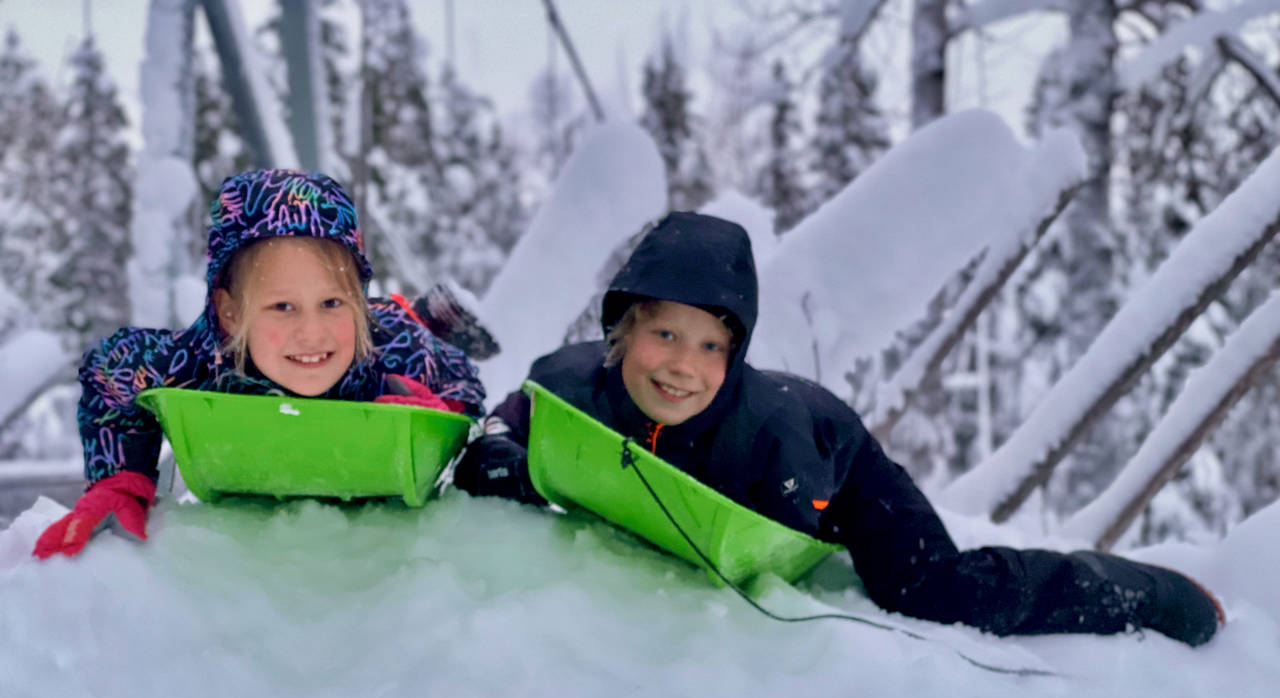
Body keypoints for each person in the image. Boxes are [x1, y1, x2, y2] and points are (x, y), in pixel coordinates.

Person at [453, 211, 1224, 647]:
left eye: (712, 344)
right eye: (664, 335)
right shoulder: (567, 378)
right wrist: (497, 452)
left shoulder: (775, 436)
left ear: (738, 351)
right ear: (622, 332)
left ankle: (1149, 594)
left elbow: (785, 545)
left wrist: (792, 519)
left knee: (934, 592)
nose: (683, 366)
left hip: (835, 461)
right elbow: (512, 416)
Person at [34, 168, 485, 559]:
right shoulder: (197, 360)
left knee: (408, 321)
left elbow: (464, 381)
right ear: (231, 313)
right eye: (282, 307)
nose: (312, 332)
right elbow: (107, 370)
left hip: (396, 326)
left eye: (331, 301)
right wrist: (120, 480)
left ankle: (426, 309)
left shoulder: (392, 346)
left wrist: (441, 412)